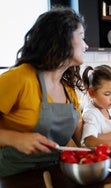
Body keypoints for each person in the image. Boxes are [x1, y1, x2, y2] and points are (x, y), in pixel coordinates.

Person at [0, 7, 87, 177]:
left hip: (55, 175)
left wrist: (103, 150)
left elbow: (73, 141)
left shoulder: (68, 89)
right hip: (12, 177)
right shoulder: (19, 78)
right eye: (82, 37)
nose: (86, 45)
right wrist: (15, 138)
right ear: (62, 37)